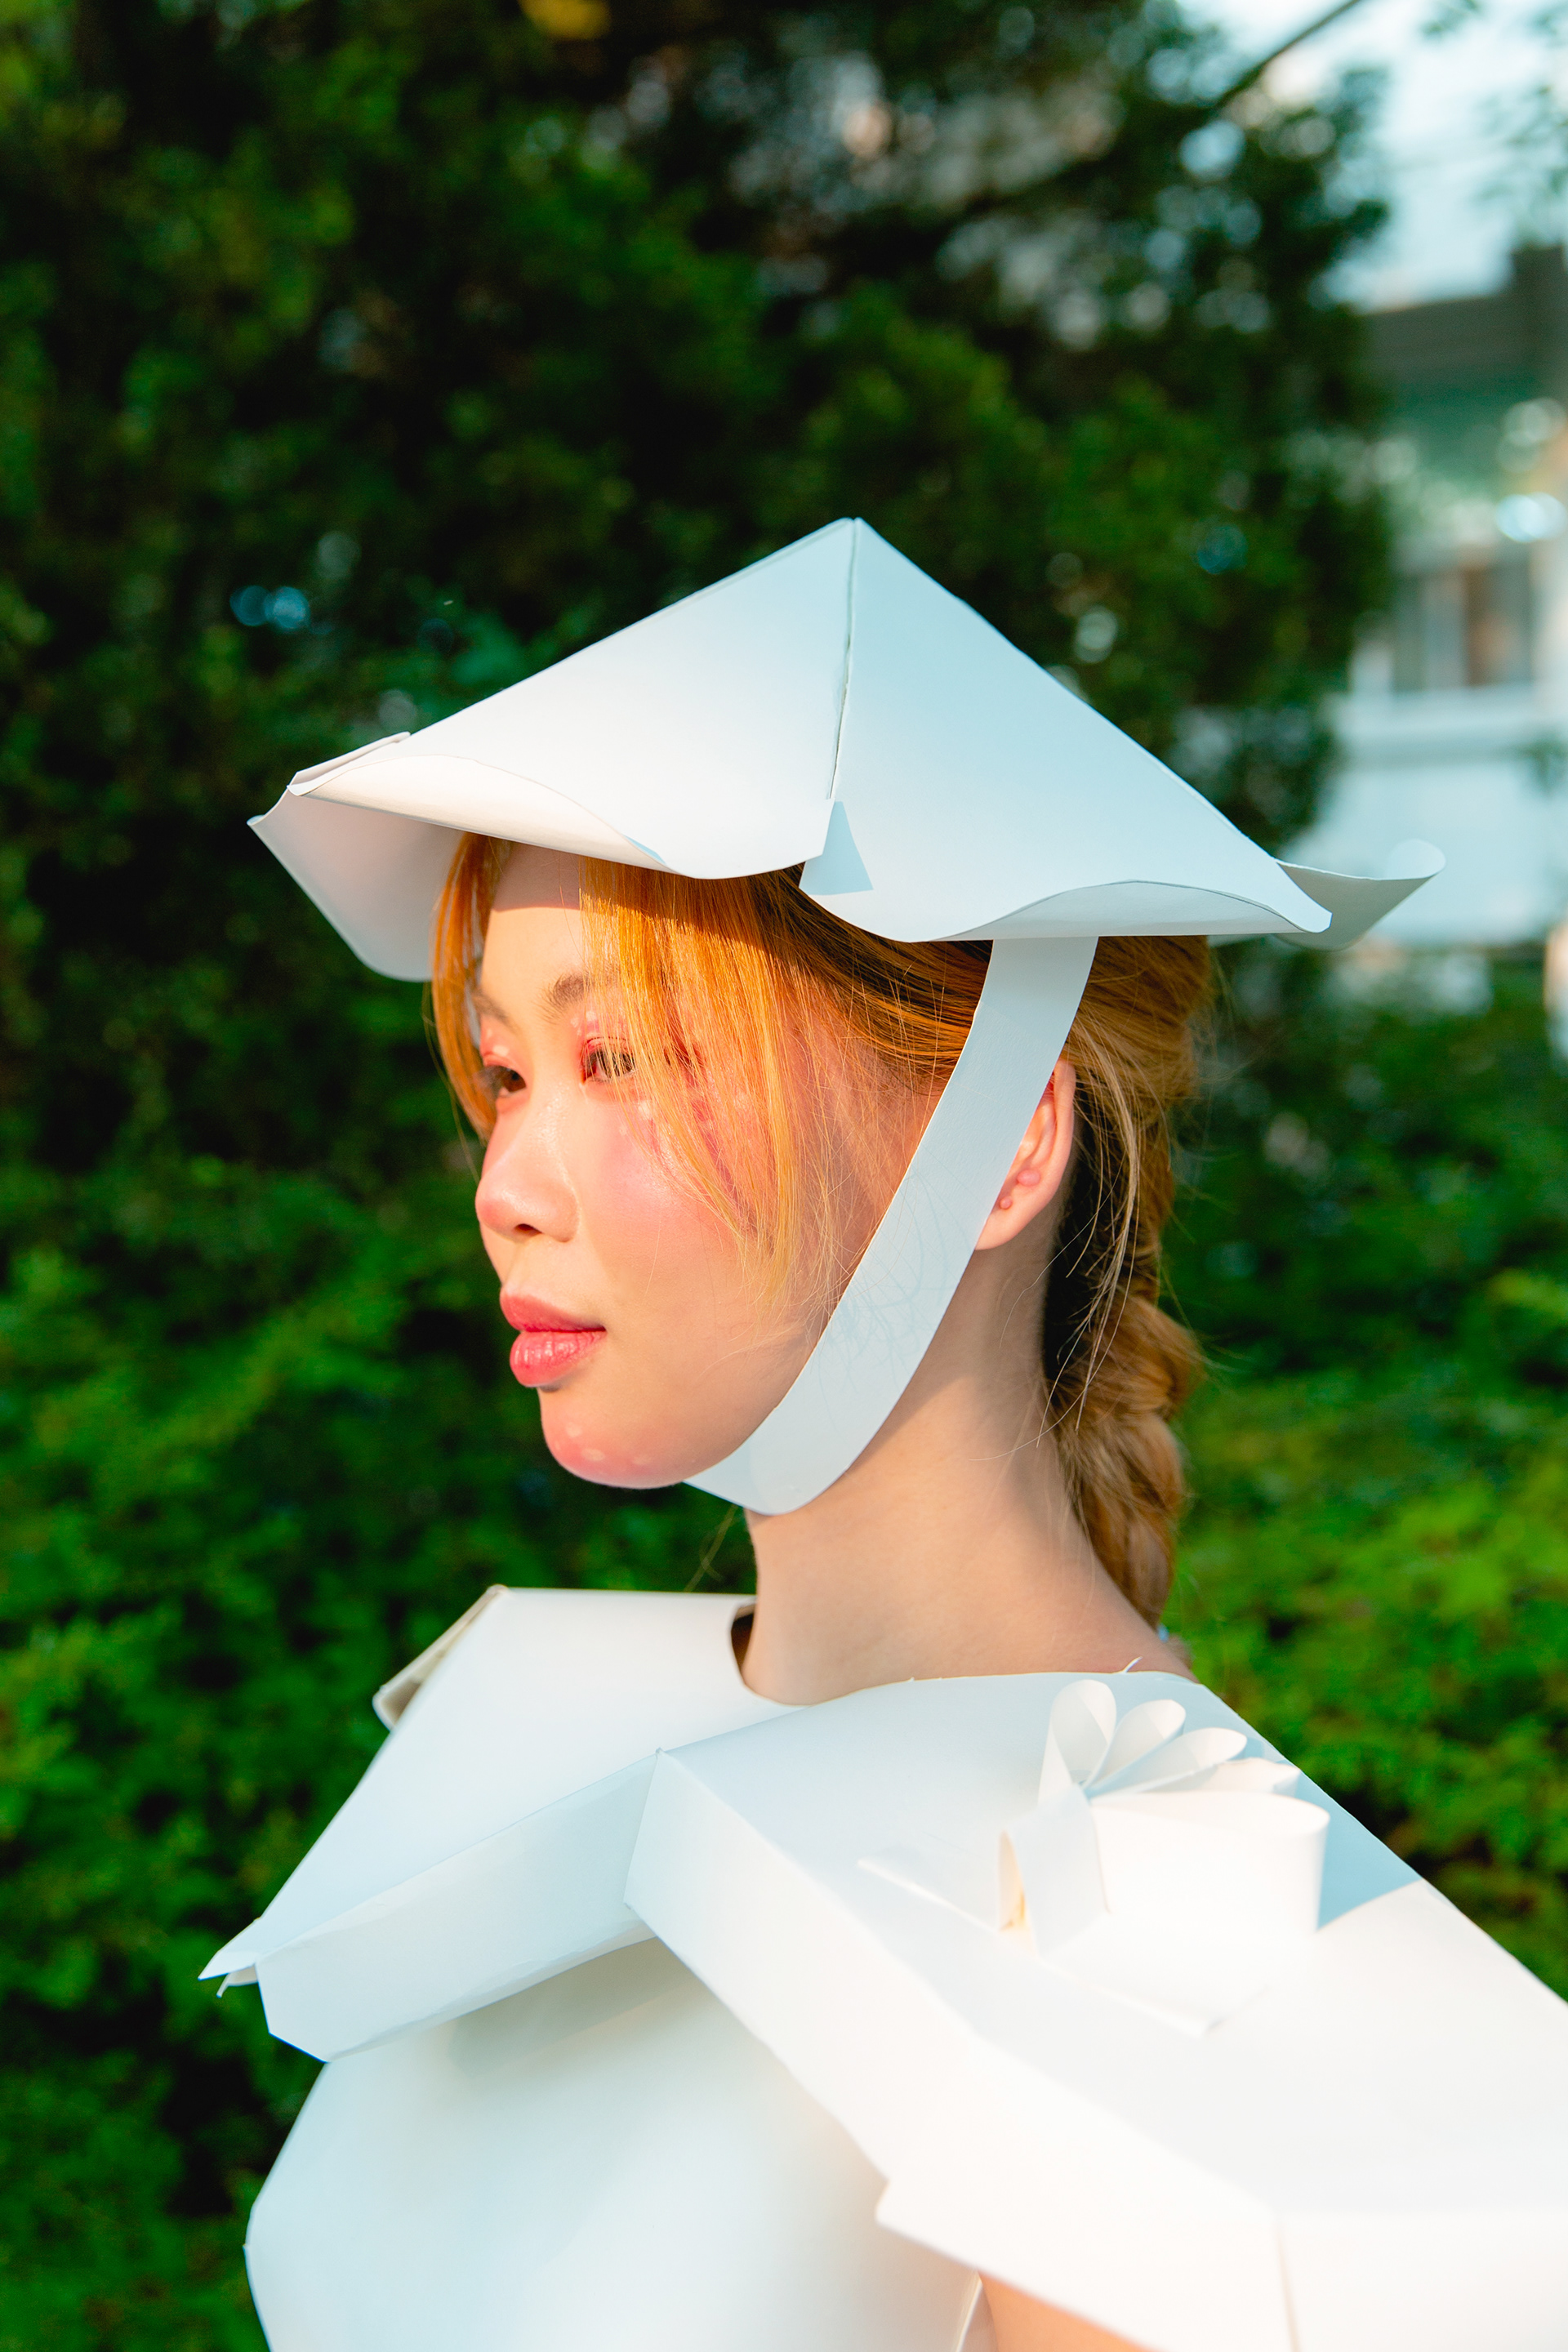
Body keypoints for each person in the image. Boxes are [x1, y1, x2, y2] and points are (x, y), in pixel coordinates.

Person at [207, 522, 1566, 2352]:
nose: (506, 1184)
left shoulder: (1169, 1917)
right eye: (507, 1071)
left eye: (626, 1060)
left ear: (1002, 1145)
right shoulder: (536, 1728)